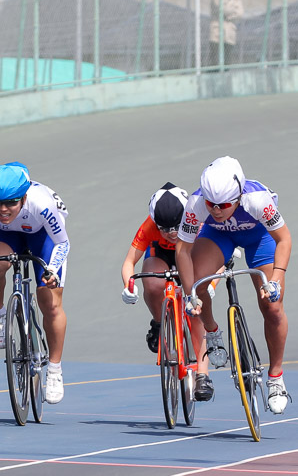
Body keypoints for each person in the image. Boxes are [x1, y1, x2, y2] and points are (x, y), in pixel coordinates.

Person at [175, 156, 291, 414]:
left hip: (258, 237)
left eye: (224, 204)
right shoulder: (196, 203)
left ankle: (276, 377)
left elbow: (284, 239)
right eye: (211, 204)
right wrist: (190, 293)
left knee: (272, 307)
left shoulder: (259, 200)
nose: (216, 210)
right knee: (198, 284)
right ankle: (212, 332)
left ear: (238, 197)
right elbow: (182, 251)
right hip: (218, 236)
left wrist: (275, 279)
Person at [0, 162, 69, 405]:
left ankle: (54, 369)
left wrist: (52, 270)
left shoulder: (42, 205)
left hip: (43, 237)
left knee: (50, 302)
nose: (2, 209)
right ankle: (0, 315)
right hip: (8, 235)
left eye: (10, 202)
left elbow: (63, 243)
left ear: (23, 198)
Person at [120, 182, 214, 401]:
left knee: (196, 306)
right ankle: (159, 322)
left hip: (191, 252)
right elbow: (129, 262)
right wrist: (128, 285)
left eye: (176, 226)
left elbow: (214, 255)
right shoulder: (149, 225)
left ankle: (203, 373)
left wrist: (211, 285)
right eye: (164, 228)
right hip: (160, 255)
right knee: (152, 284)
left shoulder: (196, 218)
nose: (171, 233)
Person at [208, 0, 244, 67]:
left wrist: (228, 15)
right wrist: (233, 12)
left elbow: (240, 13)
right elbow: (223, 9)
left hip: (229, 36)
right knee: (215, 62)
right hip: (217, 35)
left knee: (227, 61)